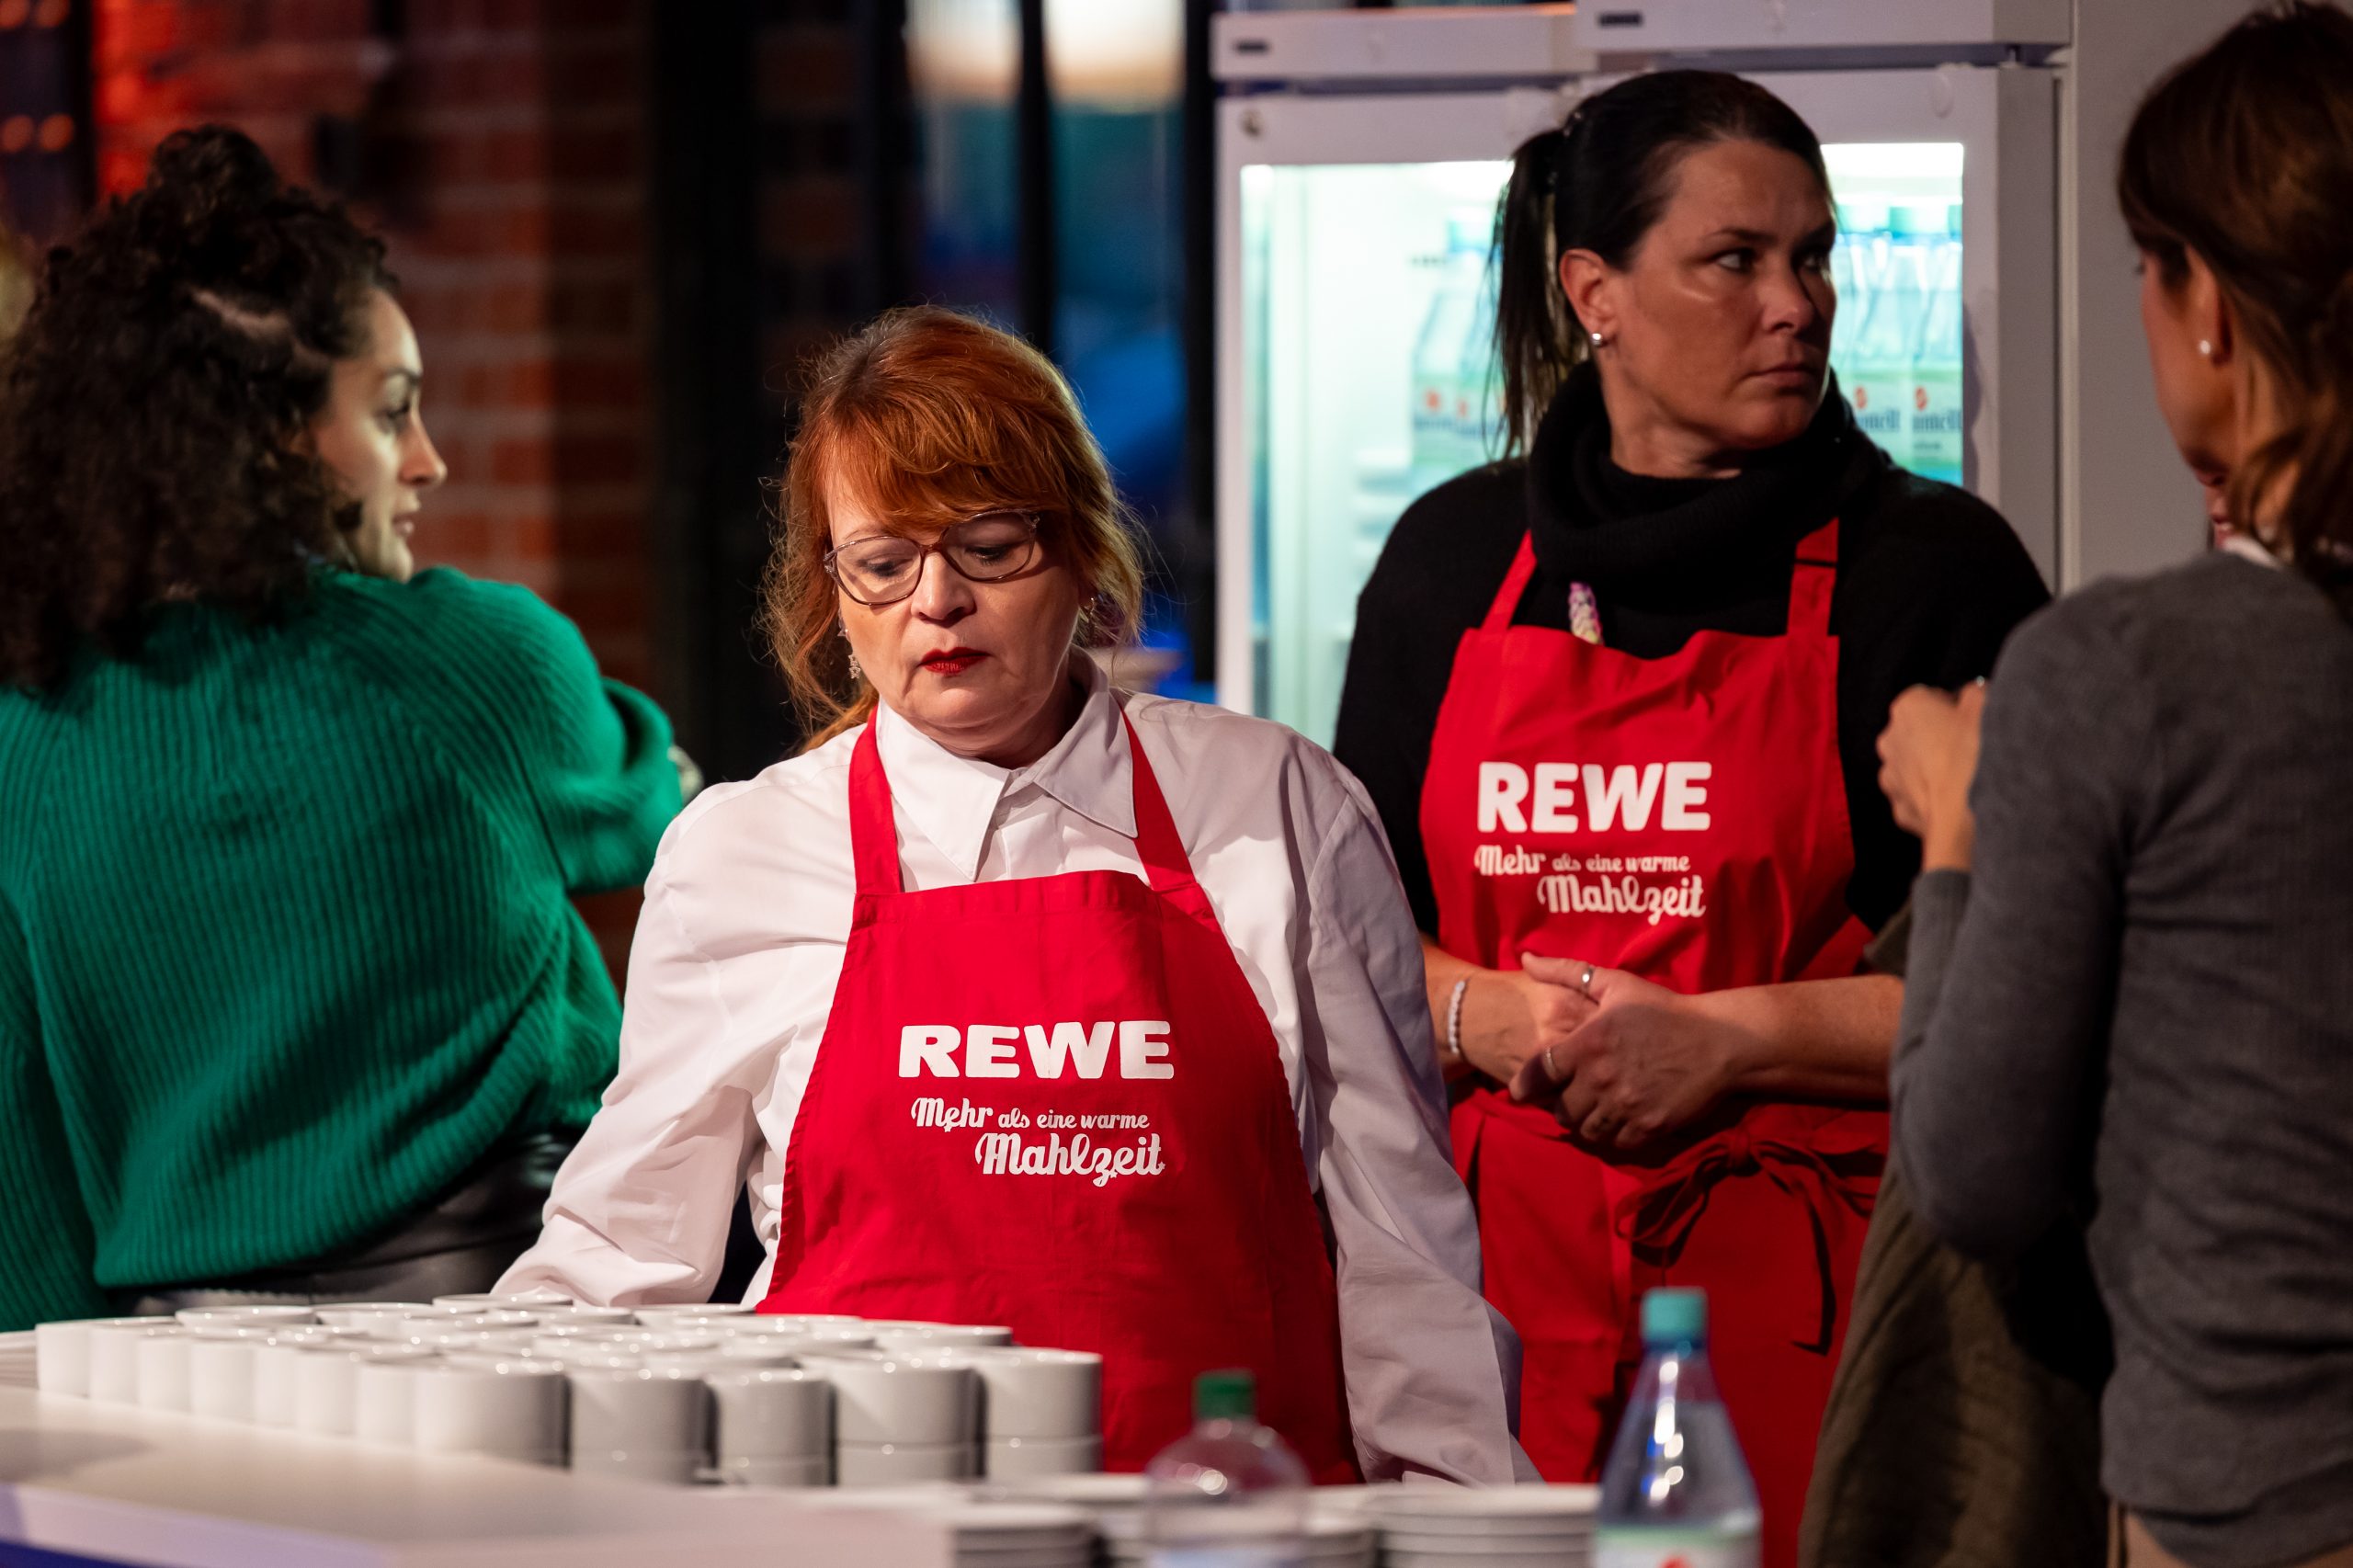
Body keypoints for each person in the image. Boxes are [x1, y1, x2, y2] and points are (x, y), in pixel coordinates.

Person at [500, 306, 1529, 1483]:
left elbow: (1404, 1256)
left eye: (988, 545)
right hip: (859, 1531)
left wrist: (1464, 1518)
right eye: (882, 562)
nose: (935, 599)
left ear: (1082, 550)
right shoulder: (746, 851)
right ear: (833, 593)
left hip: (1221, 1531)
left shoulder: (1274, 807)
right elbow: (621, 1251)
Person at [1332, 71, 2049, 1562]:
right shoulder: (1451, 560)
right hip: (1492, 1299)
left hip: (1815, 1299)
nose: (1798, 306)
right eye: (1736, 259)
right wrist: (1485, 1015)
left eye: (1815, 256)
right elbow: (1349, 938)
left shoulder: (1932, 570)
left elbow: (2015, 992)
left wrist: (1730, 1039)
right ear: (1593, 291)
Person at [0, 127, 683, 1327]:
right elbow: (652, 806)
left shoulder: (26, 728)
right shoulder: (475, 661)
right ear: (276, 436)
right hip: (501, 1323)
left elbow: (24, 1137)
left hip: (173, 1358)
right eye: (393, 413)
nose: (429, 462)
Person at [1879, 6, 2353, 1566]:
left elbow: (1975, 1168)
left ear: (2208, 304)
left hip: (2257, 1499)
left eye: (2150, 264)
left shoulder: (2125, 671)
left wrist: (1957, 826)